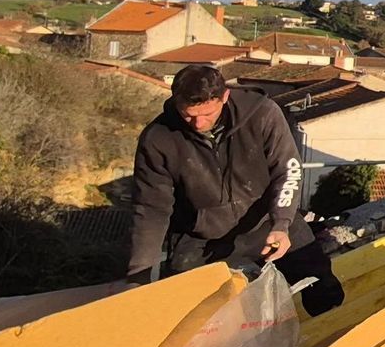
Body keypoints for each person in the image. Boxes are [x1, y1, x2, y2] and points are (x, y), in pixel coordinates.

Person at [126, 64, 344, 315]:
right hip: (202, 237)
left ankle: (325, 342)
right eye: (188, 115)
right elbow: (151, 210)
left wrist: (281, 224)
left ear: (225, 97)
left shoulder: (262, 113)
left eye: (207, 113)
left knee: (322, 288)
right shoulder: (158, 139)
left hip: (267, 222)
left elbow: (289, 171)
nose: (198, 123)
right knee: (188, 312)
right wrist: (138, 276)